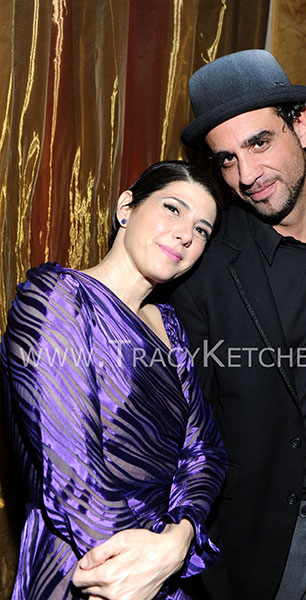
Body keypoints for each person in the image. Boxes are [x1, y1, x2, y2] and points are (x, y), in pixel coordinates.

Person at [68, 50, 306, 599]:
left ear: (301, 125)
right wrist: (173, 537)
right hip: (259, 540)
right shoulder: (204, 266)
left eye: (259, 143)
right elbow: (186, 426)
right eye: (226, 159)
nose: (247, 176)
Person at [1, 160, 227, 600]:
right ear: (126, 208)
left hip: (162, 564)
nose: (186, 234)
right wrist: (141, 572)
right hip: (84, 568)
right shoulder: (54, 298)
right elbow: (75, 481)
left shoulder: (169, 327)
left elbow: (206, 452)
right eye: (173, 208)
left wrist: (178, 540)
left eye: (202, 229)